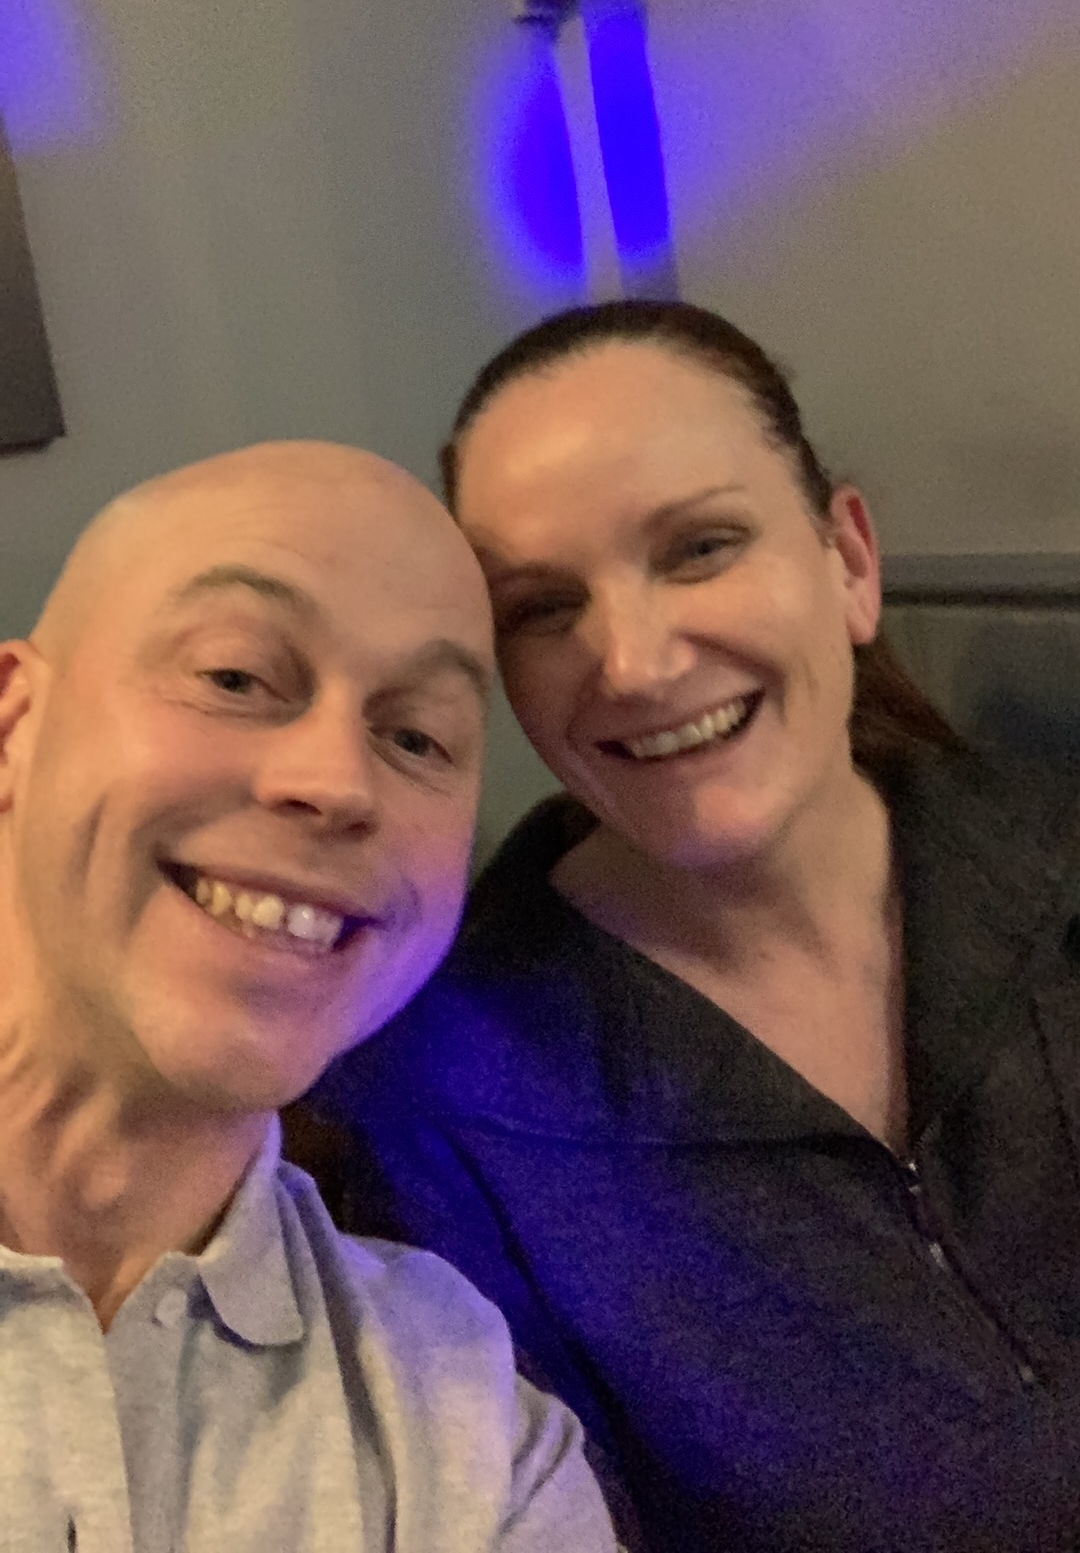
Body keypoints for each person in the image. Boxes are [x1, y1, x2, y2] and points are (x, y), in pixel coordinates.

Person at [319, 302, 1080, 1553]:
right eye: (544, 607)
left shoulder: (1055, 862)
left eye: (700, 548)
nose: (633, 662)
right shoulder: (447, 1108)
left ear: (849, 561)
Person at [0, 439, 618, 1552]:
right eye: (235, 677)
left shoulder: (468, 1432)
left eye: (417, 737)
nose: (337, 783)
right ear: (13, 728)